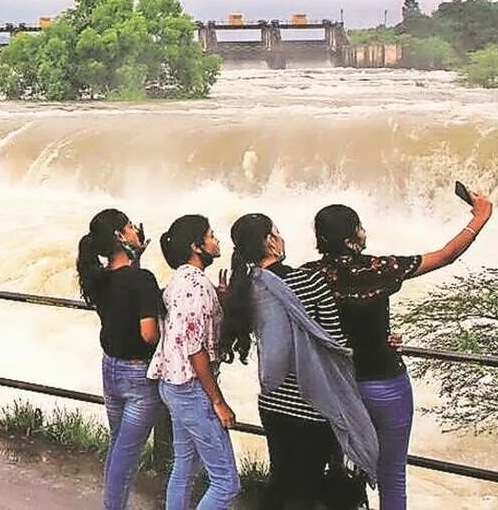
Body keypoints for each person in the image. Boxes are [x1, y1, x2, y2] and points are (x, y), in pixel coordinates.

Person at [304, 194, 493, 510]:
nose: (365, 232)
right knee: (392, 476)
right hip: (385, 383)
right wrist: (480, 217)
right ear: (351, 239)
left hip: (338, 388)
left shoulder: (309, 276)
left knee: (343, 469)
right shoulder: (380, 269)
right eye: (360, 227)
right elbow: (446, 255)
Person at [221, 213, 377, 509]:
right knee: (304, 490)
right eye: (277, 232)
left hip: (272, 400)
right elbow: (334, 340)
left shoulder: (247, 286)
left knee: (280, 483)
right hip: (310, 402)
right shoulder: (307, 280)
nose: (282, 238)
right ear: (269, 241)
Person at [147, 214, 239, 509]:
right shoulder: (196, 286)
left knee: (185, 468)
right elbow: (194, 348)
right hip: (191, 388)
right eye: (211, 236)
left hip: (173, 384)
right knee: (226, 483)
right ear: (196, 246)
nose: (217, 240)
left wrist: (219, 299)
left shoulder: (181, 280)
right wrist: (218, 401)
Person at [76, 208, 160, 509]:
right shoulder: (143, 280)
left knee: (119, 446)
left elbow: (126, 289)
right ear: (118, 236)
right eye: (129, 227)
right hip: (138, 375)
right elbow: (149, 334)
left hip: (110, 369)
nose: (136, 230)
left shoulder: (100, 278)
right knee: (126, 456)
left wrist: (134, 255)